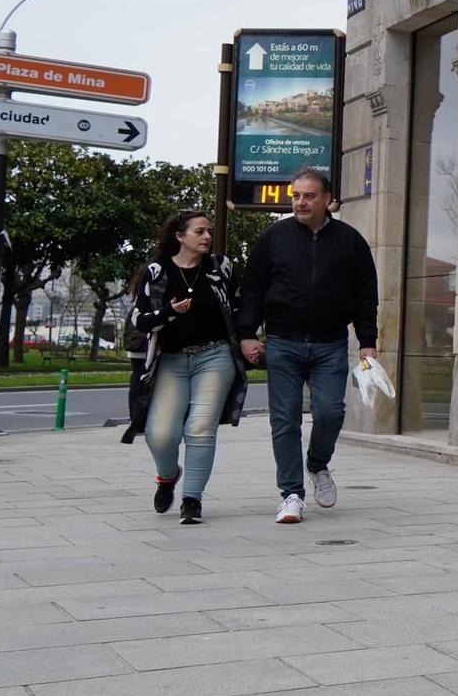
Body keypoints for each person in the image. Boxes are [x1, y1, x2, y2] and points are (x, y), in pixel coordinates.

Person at [236, 168, 379, 525]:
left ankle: (317, 464)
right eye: (296, 195)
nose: (300, 202)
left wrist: (367, 342)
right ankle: (291, 494)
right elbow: (252, 288)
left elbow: (366, 296)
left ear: (327, 199)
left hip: (331, 343)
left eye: (309, 196)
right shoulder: (274, 237)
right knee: (284, 420)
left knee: (331, 411)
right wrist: (247, 333)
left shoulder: (351, 241)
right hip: (283, 341)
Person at [122, 210, 248, 525]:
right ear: (180, 237)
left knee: (200, 428)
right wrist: (170, 312)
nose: (207, 237)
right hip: (171, 360)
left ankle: (192, 500)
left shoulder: (221, 268)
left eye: (209, 232)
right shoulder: (157, 272)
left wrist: (248, 338)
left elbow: (238, 306)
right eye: (199, 232)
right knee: (160, 433)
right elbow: (139, 319)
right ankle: (167, 476)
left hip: (215, 356)